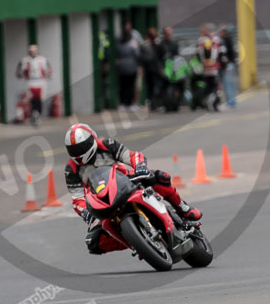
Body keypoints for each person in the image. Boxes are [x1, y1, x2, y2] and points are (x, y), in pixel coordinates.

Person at [64, 123, 202, 255]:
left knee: (161, 177)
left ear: (91, 140)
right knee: (93, 242)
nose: (78, 153)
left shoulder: (107, 145)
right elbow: (77, 199)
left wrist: (140, 166)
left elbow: (131, 156)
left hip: (125, 181)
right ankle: (135, 242)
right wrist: (85, 212)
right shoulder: (71, 170)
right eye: (74, 150)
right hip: (101, 201)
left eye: (81, 147)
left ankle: (183, 208)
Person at [16, 44, 52, 124]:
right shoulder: (25, 60)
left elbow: (49, 69)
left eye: (34, 50)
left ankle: (38, 114)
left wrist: (48, 75)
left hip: (40, 82)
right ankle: (33, 114)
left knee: (39, 99)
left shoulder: (42, 60)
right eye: (31, 51)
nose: (33, 52)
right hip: (30, 82)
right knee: (31, 99)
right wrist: (20, 74)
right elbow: (18, 70)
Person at [196, 25, 226, 112]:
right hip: (214, 68)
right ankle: (215, 104)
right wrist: (223, 65)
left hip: (205, 69)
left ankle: (209, 103)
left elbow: (198, 55)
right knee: (215, 87)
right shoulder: (214, 42)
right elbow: (220, 54)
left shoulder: (200, 43)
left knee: (208, 87)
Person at [115, 29, 139, 110]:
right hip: (132, 67)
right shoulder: (132, 44)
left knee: (123, 86)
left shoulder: (119, 44)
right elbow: (137, 54)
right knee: (131, 86)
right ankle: (130, 103)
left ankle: (123, 103)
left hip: (122, 67)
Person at [139, 27, 160, 109]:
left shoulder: (156, 44)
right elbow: (142, 57)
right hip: (151, 68)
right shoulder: (146, 44)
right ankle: (153, 102)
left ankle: (153, 102)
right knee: (152, 86)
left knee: (152, 86)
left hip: (152, 68)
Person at [218, 25, 237, 108]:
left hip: (227, 65)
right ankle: (231, 101)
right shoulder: (229, 40)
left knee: (227, 84)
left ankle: (230, 101)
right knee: (229, 84)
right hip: (230, 64)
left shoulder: (224, 41)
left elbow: (224, 55)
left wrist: (225, 64)